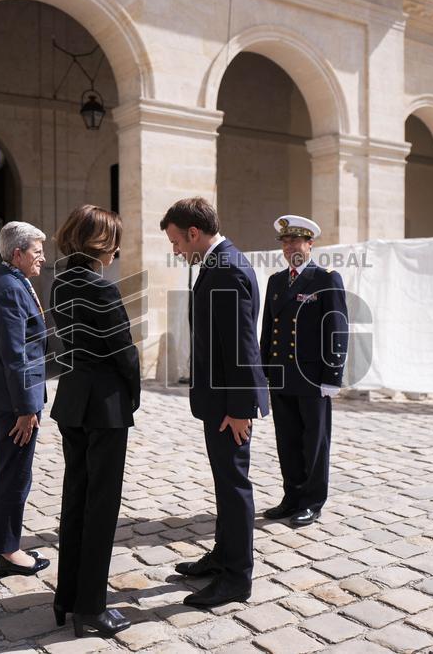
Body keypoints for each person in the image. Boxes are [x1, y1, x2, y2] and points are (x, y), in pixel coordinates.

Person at [161, 197, 268, 609]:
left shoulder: (226, 268)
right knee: (225, 484)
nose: (175, 251)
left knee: (235, 486)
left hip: (230, 405)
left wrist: (241, 408)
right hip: (221, 400)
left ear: (193, 233)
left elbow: (241, 344)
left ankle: (237, 577)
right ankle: (224, 556)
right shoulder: (217, 263)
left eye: (175, 242)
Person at [50, 204, 139, 638]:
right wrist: (133, 397)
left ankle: (67, 597)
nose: (117, 249)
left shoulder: (60, 282)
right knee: (101, 509)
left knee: (75, 500)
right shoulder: (101, 288)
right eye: (113, 241)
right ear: (100, 244)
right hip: (104, 407)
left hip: (72, 400)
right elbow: (124, 351)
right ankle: (91, 608)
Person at [259, 215, 347, 527]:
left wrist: (333, 376)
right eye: (285, 241)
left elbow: (336, 329)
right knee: (287, 440)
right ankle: (291, 496)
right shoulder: (276, 281)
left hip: (312, 377)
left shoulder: (325, 278)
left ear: (310, 244)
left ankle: (312, 500)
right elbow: (267, 330)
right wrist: (263, 371)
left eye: (296, 241)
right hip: (282, 375)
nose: (290, 246)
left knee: (315, 441)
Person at [0, 222, 51, 577]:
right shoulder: (9, 288)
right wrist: (26, 407)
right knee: (16, 476)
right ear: (17, 254)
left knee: (4, 471)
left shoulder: (9, 281)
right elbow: (16, 353)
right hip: (12, 401)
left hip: (4, 396)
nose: (42, 259)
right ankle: (8, 551)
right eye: (36, 252)